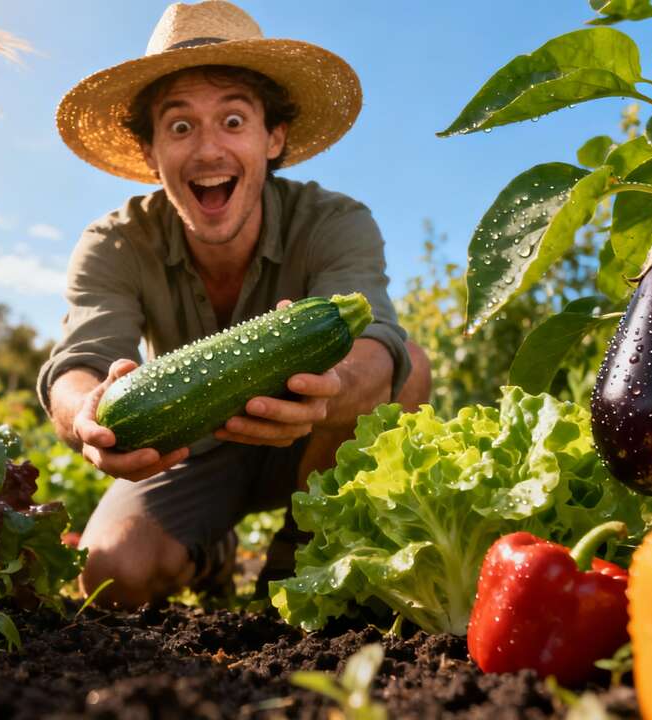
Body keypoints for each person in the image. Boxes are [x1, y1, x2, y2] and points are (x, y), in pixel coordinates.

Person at [39, 0, 431, 608]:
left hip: (314, 440)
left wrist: (321, 390)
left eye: (233, 121)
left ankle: (302, 557)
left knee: (408, 363)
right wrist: (83, 414)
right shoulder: (113, 241)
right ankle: (210, 551)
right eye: (179, 126)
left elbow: (377, 347)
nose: (208, 152)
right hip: (185, 445)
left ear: (273, 137)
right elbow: (78, 363)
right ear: (150, 154)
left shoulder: (335, 221)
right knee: (112, 576)